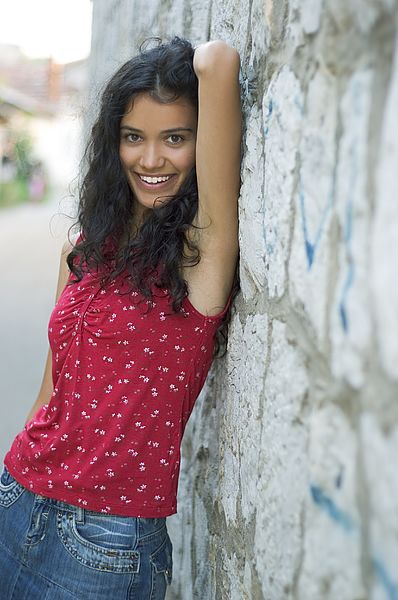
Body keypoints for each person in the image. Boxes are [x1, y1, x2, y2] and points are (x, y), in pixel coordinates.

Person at [0, 36, 241, 599]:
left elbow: (218, 63)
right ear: (115, 145)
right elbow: (52, 389)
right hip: (17, 496)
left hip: (106, 545)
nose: (151, 159)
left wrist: (179, 66)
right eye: (133, 137)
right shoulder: (81, 253)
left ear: (200, 143)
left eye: (175, 138)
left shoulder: (198, 256)